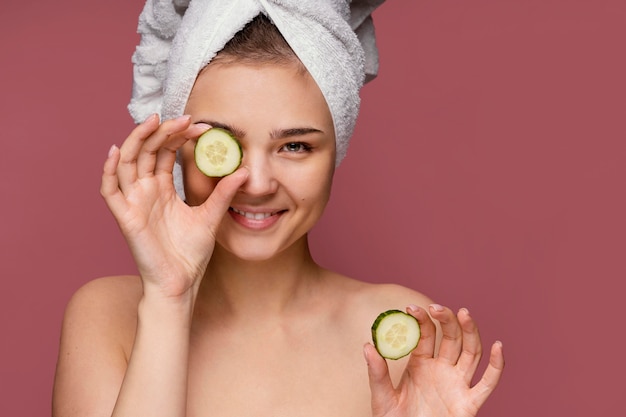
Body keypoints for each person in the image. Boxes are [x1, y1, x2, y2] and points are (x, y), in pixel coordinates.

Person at [52, 2, 504, 416]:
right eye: (224, 143)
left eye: (294, 145)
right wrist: (170, 297)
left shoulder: (403, 332)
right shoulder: (106, 318)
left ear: (336, 150)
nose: (258, 182)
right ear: (176, 146)